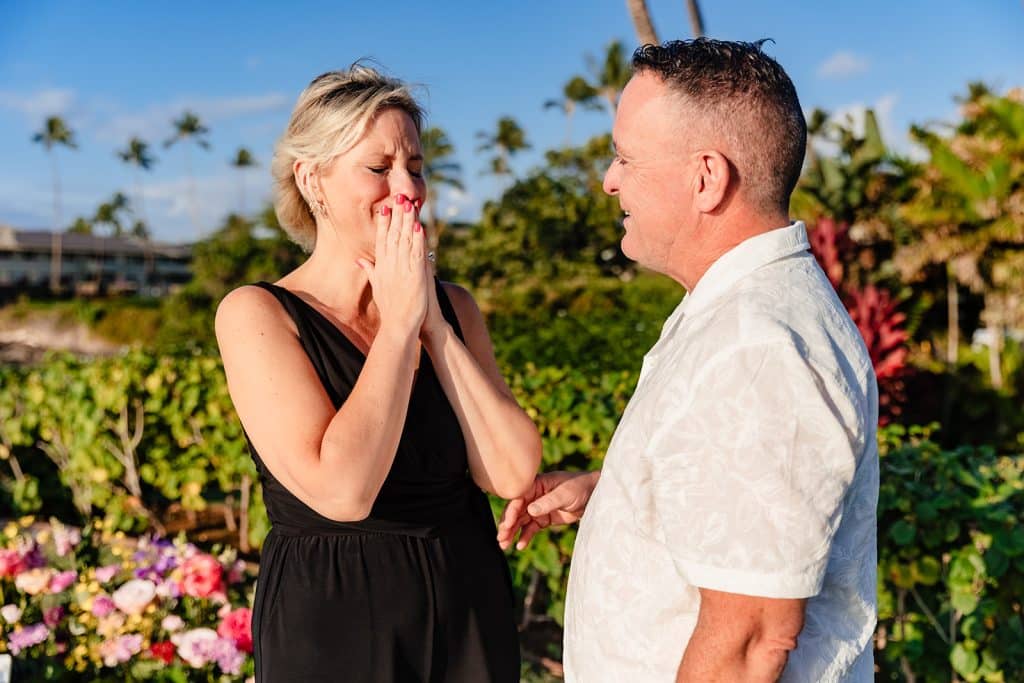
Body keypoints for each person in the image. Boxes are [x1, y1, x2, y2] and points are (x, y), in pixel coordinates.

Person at [498, 39, 879, 682]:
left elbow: (750, 640)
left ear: (706, 178)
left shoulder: (757, 345)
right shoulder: (741, 314)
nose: (609, 180)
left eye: (626, 158)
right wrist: (621, 493)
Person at [216, 64, 542, 682]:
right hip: (337, 622)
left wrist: (433, 327)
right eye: (379, 167)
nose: (408, 188)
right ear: (311, 180)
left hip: (469, 609)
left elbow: (510, 471)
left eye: (416, 167)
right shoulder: (256, 314)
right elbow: (344, 491)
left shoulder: (453, 307)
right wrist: (397, 330)